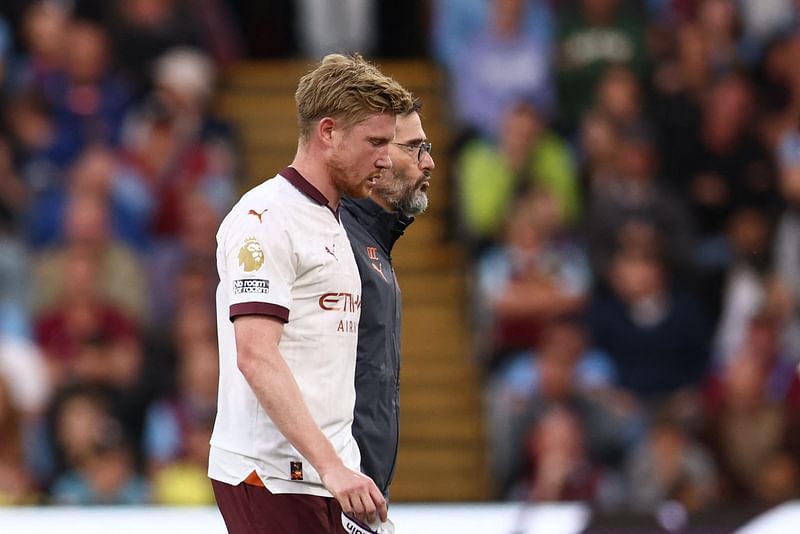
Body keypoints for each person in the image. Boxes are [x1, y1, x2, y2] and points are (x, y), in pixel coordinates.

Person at [207, 53, 413, 534]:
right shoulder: (264, 219)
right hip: (271, 474)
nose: (385, 157)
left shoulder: (336, 219)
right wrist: (331, 466)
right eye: (375, 141)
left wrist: (342, 464)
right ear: (328, 132)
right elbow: (255, 356)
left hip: (329, 474)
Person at [340, 99, 434, 499]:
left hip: (358, 492)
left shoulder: (372, 244)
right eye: (414, 148)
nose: (428, 163)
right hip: (329, 490)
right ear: (375, 153)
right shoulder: (335, 239)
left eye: (427, 148)